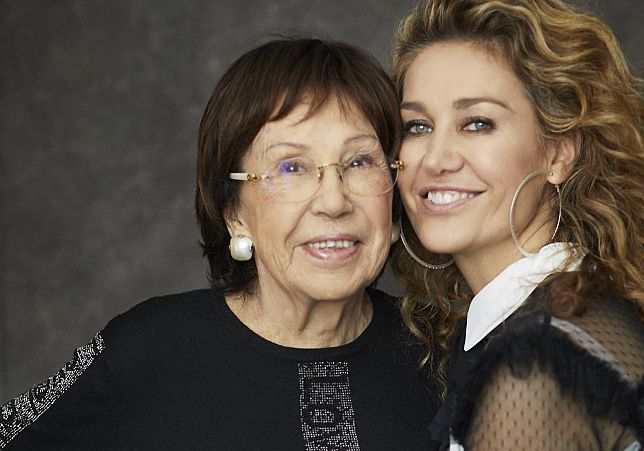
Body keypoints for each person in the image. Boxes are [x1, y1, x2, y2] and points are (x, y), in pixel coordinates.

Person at [0, 38, 440, 450]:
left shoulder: (439, 351)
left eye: (360, 161)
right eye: (291, 168)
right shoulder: (147, 348)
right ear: (233, 212)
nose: (333, 200)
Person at [389, 0, 644, 450]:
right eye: (416, 127)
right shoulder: (565, 313)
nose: (435, 159)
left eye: (477, 123)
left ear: (558, 154)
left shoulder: (539, 359)